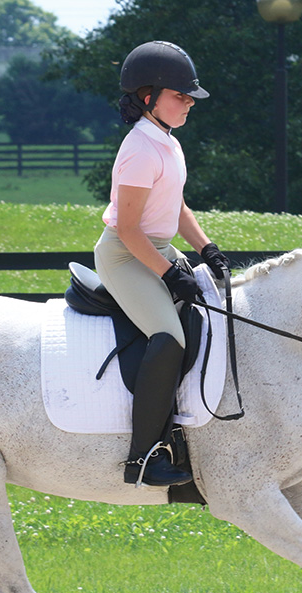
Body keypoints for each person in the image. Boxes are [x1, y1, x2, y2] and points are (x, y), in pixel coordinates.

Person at [95, 40, 232, 488]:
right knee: (168, 337)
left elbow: (176, 207)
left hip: (155, 247)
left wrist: (206, 249)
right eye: (180, 95)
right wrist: (170, 273)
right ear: (148, 97)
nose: (190, 102)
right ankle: (142, 458)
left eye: (190, 96)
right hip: (124, 254)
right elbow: (131, 230)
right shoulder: (139, 148)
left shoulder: (167, 142)